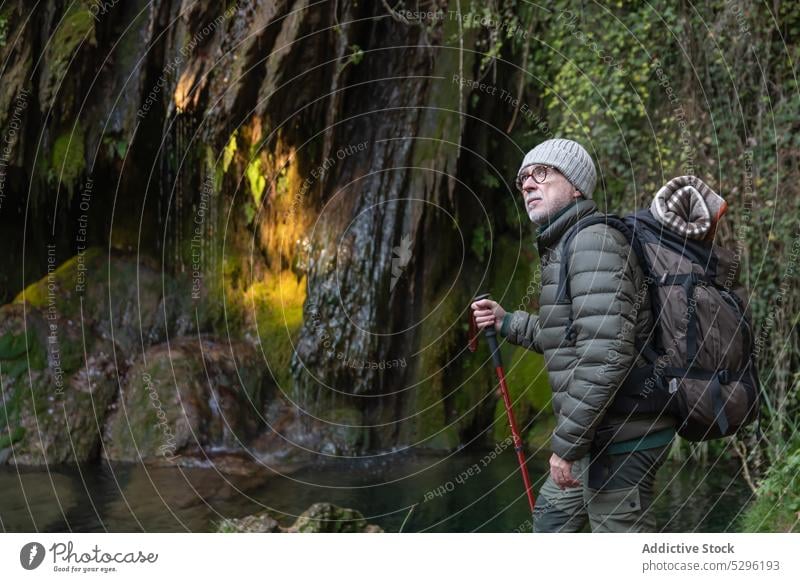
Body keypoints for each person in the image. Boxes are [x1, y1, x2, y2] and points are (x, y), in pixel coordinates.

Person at [471, 138, 675, 532]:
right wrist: (507, 322)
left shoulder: (591, 243)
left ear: (577, 186)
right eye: (523, 178)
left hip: (623, 433)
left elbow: (606, 355)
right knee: (549, 527)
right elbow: (573, 337)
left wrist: (565, 446)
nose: (528, 183)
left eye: (542, 173)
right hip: (596, 433)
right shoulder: (567, 243)